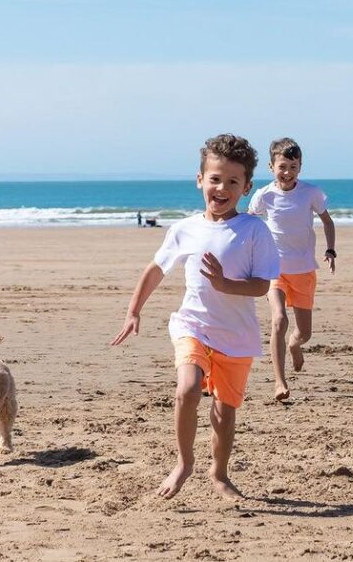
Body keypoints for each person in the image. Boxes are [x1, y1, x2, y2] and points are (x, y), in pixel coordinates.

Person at [111, 134, 280, 500]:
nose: (222, 188)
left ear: (247, 187)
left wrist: (223, 282)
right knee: (187, 389)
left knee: (224, 410)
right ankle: (184, 462)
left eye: (233, 182)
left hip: (236, 336)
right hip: (193, 327)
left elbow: (261, 286)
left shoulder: (254, 230)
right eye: (215, 178)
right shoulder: (184, 229)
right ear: (200, 179)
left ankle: (219, 473)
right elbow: (156, 269)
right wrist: (133, 311)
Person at [247, 138, 337, 402]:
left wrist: (331, 250)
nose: (287, 173)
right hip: (274, 270)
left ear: (300, 167)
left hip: (304, 270)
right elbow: (250, 225)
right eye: (282, 166)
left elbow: (327, 221)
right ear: (271, 166)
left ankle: (294, 345)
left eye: (293, 167)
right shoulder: (264, 195)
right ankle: (279, 382)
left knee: (303, 333)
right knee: (278, 321)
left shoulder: (311, 193)